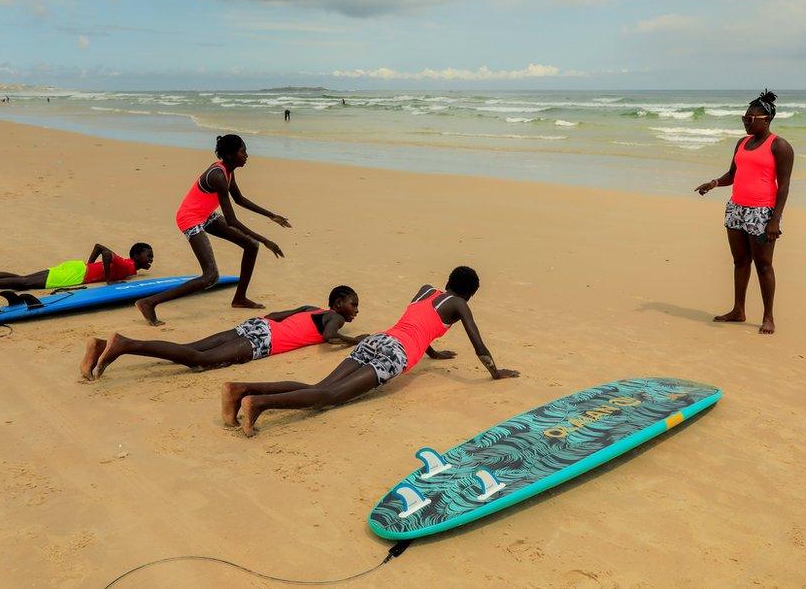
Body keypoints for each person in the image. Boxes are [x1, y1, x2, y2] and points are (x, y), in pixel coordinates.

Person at [221, 266, 519, 437]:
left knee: (321, 387)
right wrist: (495, 372)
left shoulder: (428, 290)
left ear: (448, 282)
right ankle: (259, 403)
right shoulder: (460, 304)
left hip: (377, 339)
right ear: (470, 293)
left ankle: (241, 389)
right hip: (396, 353)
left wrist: (433, 354)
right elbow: (478, 344)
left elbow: (419, 323)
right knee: (329, 397)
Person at [135, 134, 289, 326]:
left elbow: (239, 199)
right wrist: (266, 240)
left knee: (251, 245)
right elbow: (232, 220)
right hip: (190, 218)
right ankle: (149, 302)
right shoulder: (217, 175)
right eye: (243, 151)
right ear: (231, 155)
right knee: (210, 276)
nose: (247, 155)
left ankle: (239, 298)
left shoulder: (228, 170)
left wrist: (271, 215)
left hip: (205, 214)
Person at [81, 286, 364, 380]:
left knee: (190, 347)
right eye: (354, 304)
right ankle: (124, 344)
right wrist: (355, 340)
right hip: (265, 340)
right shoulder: (334, 318)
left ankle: (104, 346)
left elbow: (277, 315)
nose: (355, 311)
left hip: (259, 325)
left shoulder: (311, 307)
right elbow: (329, 337)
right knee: (198, 359)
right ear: (338, 303)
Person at [695, 89, 794, 334]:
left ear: (766, 120)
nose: (746, 122)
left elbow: (784, 187)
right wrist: (715, 183)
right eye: (744, 118)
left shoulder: (780, 146)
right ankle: (738, 310)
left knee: (763, 265)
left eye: (750, 119)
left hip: (762, 213)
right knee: (740, 262)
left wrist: (775, 220)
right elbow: (733, 174)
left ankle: (768, 317)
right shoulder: (742, 142)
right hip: (736, 209)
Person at [0, 243, 153, 296]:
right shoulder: (128, 264)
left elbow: (98, 247)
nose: (151, 259)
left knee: (22, 279)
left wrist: (89, 264)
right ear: (136, 256)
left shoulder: (129, 265)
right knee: (23, 284)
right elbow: (105, 252)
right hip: (76, 274)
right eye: (148, 255)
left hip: (76, 267)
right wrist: (108, 281)